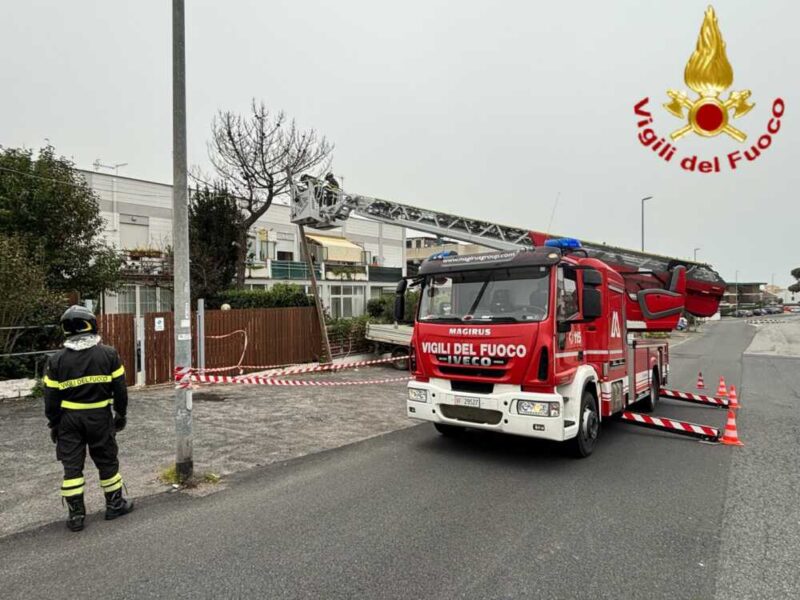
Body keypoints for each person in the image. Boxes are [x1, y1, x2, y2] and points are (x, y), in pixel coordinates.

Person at [44, 305, 133, 532]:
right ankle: (114, 505)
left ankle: (76, 516)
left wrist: (54, 424)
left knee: (72, 466)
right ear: (91, 325)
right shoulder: (109, 354)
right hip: (100, 416)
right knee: (106, 460)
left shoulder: (56, 361)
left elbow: (51, 399)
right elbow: (120, 390)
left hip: (69, 420)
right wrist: (120, 414)